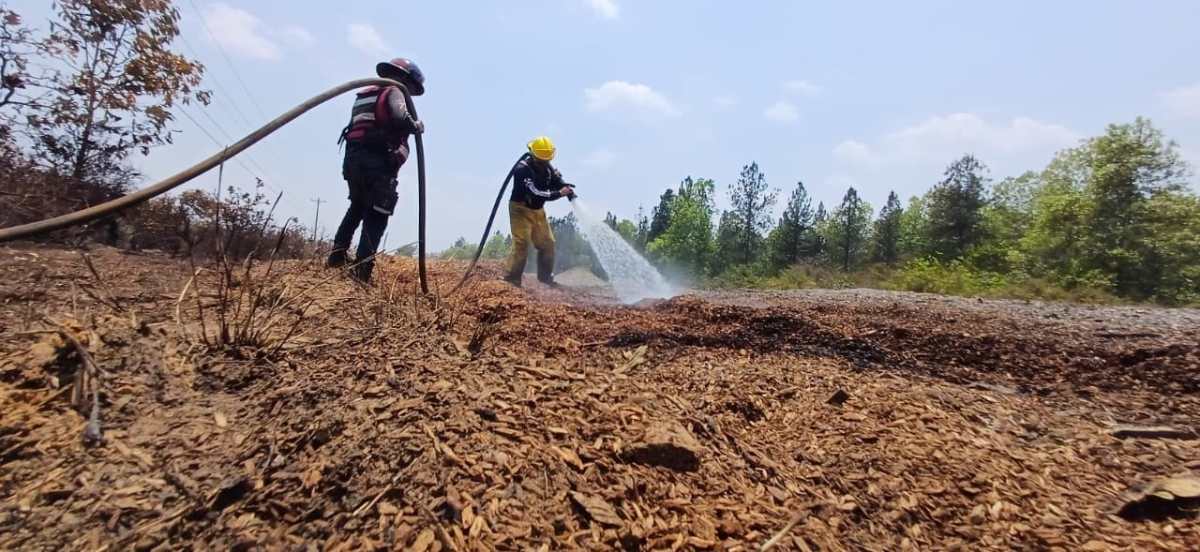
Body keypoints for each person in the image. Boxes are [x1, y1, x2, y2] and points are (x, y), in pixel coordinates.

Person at [327, 58, 426, 283]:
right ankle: (362, 271)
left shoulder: (366, 94)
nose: (410, 94)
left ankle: (336, 257)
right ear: (405, 80)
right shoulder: (395, 91)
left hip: (353, 160)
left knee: (357, 207)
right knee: (377, 214)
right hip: (376, 163)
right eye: (411, 88)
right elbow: (400, 117)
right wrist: (416, 126)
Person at [504, 136, 575, 288]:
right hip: (520, 210)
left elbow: (554, 181)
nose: (545, 162)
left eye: (547, 160)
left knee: (548, 243)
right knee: (522, 243)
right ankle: (512, 278)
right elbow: (535, 192)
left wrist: (563, 186)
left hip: (538, 210)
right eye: (542, 160)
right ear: (533, 155)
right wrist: (559, 193)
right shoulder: (522, 170)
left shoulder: (547, 167)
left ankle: (545, 278)